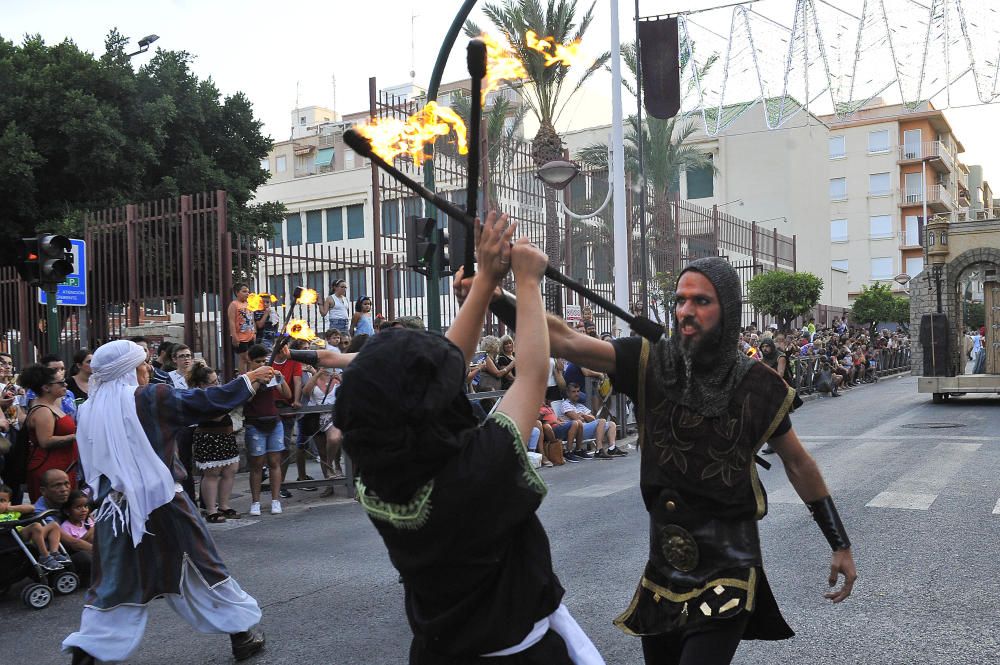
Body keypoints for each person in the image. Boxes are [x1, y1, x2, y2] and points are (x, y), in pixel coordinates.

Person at [473, 256, 856, 665]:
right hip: (663, 574)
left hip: (728, 567)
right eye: (681, 300)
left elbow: (798, 464)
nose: (687, 311)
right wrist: (493, 297)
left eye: (701, 301)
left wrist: (839, 543)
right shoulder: (648, 360)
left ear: (727, 309)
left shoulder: (758, 385)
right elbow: (563, 338)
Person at [293, 213, 605, 663]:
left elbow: (436, 376)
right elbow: (533, 373)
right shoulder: (479, 466)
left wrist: (482, 290)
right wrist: (529, 279)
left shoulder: (376, 480)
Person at [63, 340, 269, 664]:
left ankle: (88, 653)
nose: (148, 369)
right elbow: (206, 401)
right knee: (202, 568)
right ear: (128, 370)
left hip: (115, 512)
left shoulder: (88, 408)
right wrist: (249, 378)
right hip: (164, 504)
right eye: (142, 364)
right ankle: (242, 635)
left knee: (112, 585)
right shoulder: (150, 398)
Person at [188, 362, 241, 523]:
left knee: (230, 470)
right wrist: (232, 402)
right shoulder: (199, 396)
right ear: (202, 384)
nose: (217, 384)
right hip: (209, 438)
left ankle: (224, 505)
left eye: (217, 381)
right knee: (212, 473)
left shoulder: (217, 394)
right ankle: (211, 509)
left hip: (225, 436)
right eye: (213, 382)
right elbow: (216, 415)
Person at [243, 344, 292, 516]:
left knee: (274, 462)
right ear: (250, 361)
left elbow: (287, 395)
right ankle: (255, 502)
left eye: (264, 361)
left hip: (274, 422)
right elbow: (247, 398)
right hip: (255, 424)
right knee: (256, 464)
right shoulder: (246, 377)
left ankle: (275, 500)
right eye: (258, 361)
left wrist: (280, 378)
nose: (262, 364)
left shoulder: (271, 375)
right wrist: (258, 379)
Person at [18, 364, 79, 501]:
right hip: (49, 469)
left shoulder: (52, 406)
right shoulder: (43, 411)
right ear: (46, 388)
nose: (65, 385)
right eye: (61, 383)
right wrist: (75, 437)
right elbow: (45, 441)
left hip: (63, 466)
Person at [34, 469, 90, 582]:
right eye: (57, 485)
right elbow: (73, 543)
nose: (64, 489)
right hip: (57, 554)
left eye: (66, 483)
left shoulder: (70, 499)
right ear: (43, 491)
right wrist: (104, 553)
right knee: (86, 558)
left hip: (76, 541)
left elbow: (89, 520)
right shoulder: (41, 512)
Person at [0, 483, 68, 571]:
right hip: (9, 539)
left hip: (23, 534)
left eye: (2, 501)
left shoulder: (11, 512)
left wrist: (10, 508)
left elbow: (31, 508)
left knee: (54, 525)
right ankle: (44, 557)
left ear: (9, 503)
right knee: (35, 526)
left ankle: (54, 552)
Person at [228, 283, 256, 374]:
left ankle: (250, 376)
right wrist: (234, 336)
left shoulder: (249, 304)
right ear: (237, 293)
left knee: (250, 358)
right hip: (240, 337)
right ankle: (243, 377)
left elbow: (252, 319)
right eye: (244, 291)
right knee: (244, 358)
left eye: (248, 292)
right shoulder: (234, 304)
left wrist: (254, 332)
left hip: (250, 336)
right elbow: (231, 321)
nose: (247, 294)